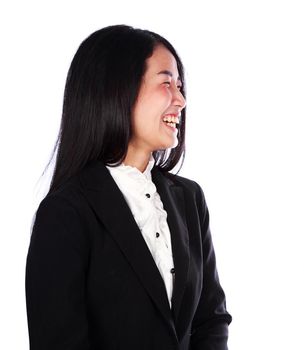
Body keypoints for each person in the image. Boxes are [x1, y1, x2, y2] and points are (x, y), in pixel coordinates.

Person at [26, 25, 231, 350]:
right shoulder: (66, 212)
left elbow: (211, 320)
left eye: (179, 85)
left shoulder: (189, 198)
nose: (181, 99)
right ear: (118, 91)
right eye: (166, 83)